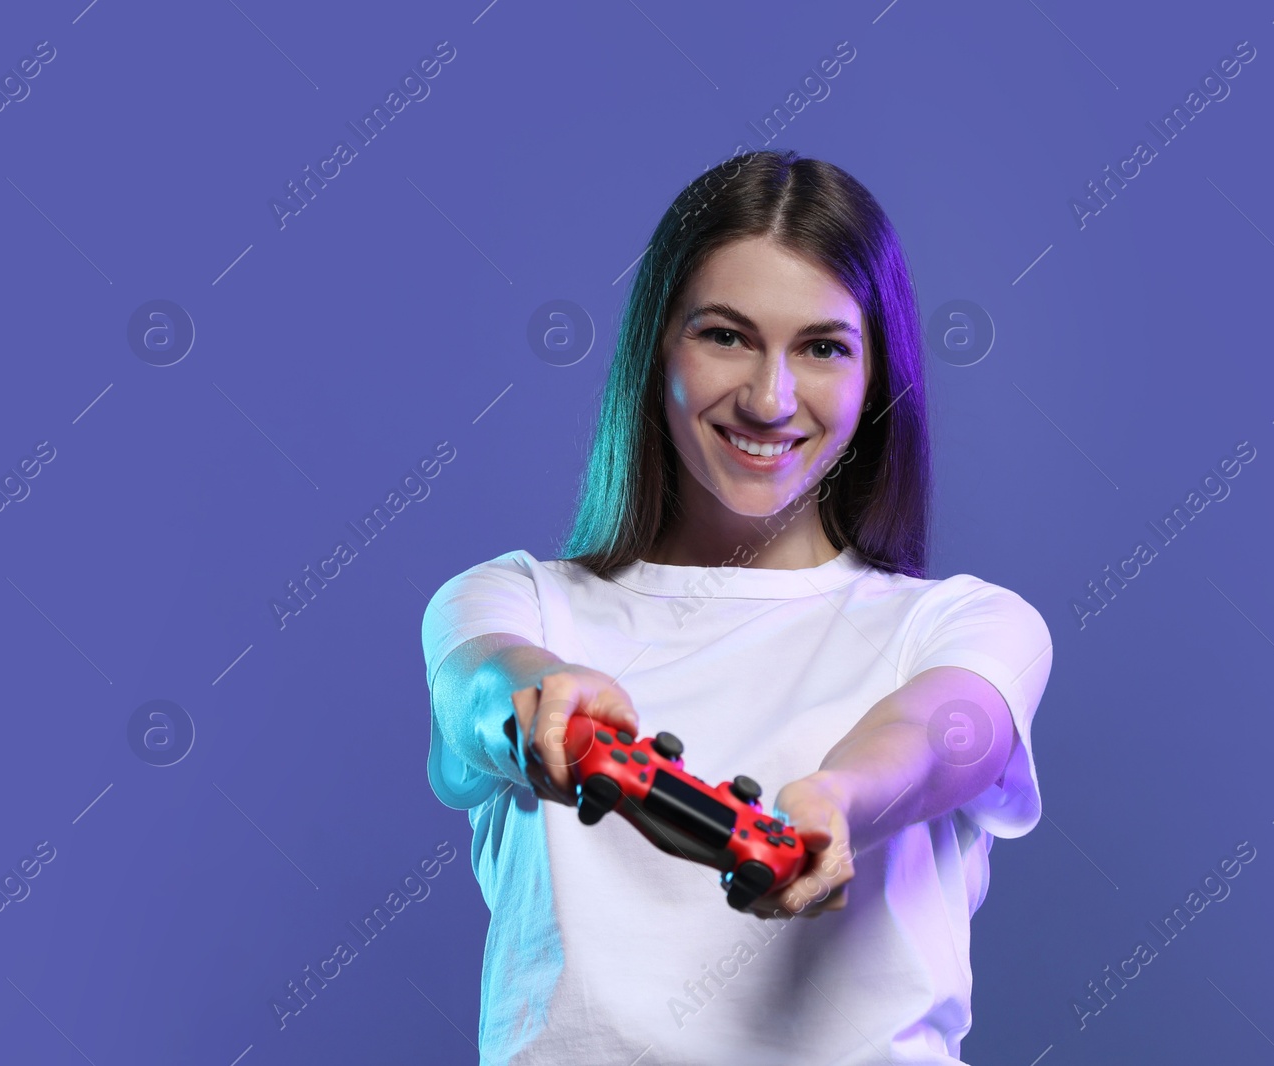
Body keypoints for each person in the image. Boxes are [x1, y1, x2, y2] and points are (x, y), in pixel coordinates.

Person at [420, 149, 1053, 1066]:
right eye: (725, 335)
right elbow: (482, 690)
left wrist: (839, 799)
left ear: (878, 374)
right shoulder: (517, 603)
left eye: (823, 347)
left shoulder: (965, 624)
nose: (769, 397)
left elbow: (946, 733)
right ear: (657, 349)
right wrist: (544, 703)